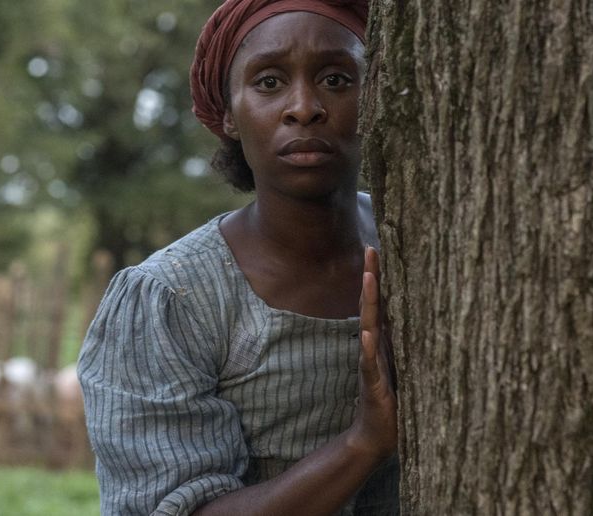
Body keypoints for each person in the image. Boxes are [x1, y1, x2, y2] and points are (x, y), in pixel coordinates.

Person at [77, 1, 399, 514]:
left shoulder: (410, 244)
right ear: (228, 112)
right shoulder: (171, 299)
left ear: (376, 93)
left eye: (337, 79)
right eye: (269, 82)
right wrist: (362, 443)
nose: (304, 107)